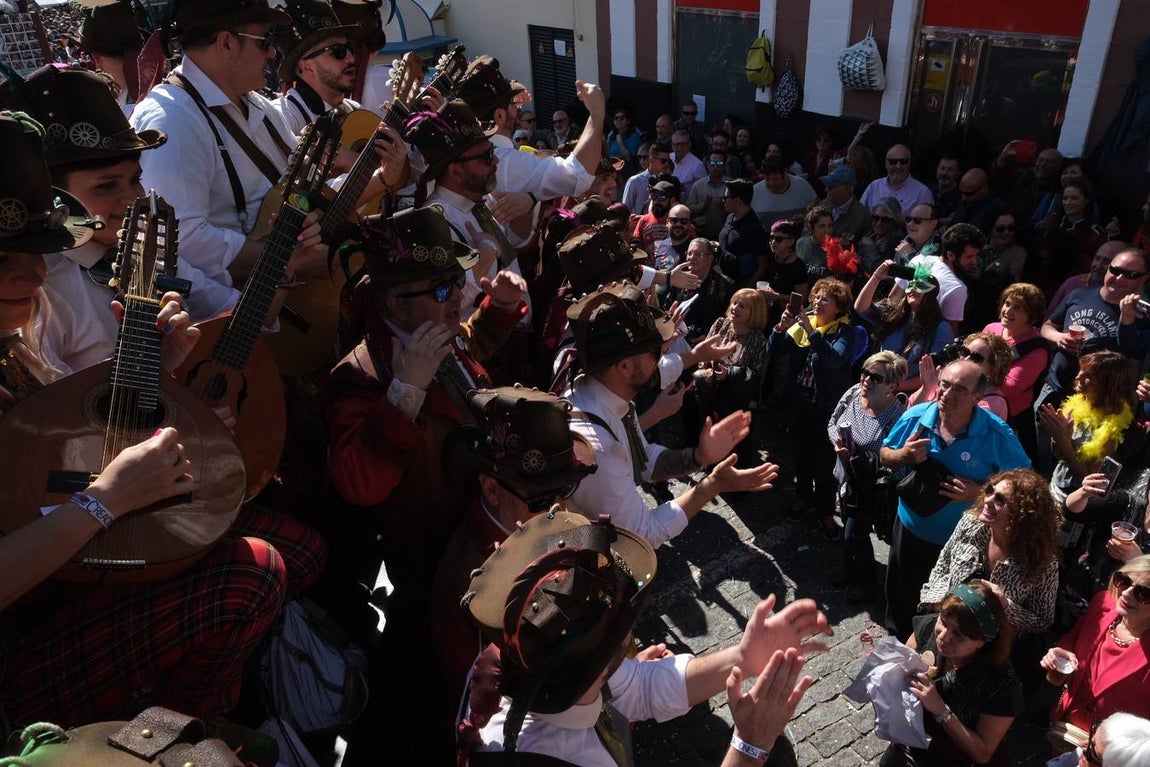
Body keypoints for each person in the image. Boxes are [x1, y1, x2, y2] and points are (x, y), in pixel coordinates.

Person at [0, 111, 324, 728]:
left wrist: (165, 374)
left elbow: (49, 464)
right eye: (1, 258)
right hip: (18, 643)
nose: (34, 275)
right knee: (251, 578)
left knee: (287, 543)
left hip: (71, 571)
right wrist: (103, 502)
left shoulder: (19, 335)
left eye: (39, 252)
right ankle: (167, 735)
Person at [325, 207, 524, 763]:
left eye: (457, 281)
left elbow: (468, 359)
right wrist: (404, 393)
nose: (455, 295)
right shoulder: (365, 373)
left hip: (475, 535)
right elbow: (357, 484)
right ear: (393, 302)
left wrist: (498, 313)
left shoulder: (431, 329)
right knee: (429, 692)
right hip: (428, 566)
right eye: (440, 287)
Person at [458, 508, 831, 765]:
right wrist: (750, 748)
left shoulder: (540, 658)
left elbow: (633, 688)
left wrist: (744, 658)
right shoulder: (548, 757)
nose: (631, 628)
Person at [129, 0, 336, 320]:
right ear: (226, 42)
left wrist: (380, 175)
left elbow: (297, 183)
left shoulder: (260, 106)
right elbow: (178, 240)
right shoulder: (172, 121)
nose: (272, 54)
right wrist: (284, 258)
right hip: (241, 317)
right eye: (265, 41)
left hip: (292, 296)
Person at [563, 283, 779, 547]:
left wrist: (698, 456)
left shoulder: (605, 394)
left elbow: (645, 461)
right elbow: (643, 535)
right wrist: (712, 485)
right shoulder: (600, 449)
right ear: (625, 366)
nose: (663, 354)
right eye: (656, 350)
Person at [430, 387, 597, 709]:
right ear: (491, 489)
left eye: (566, 488)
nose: (561, 507)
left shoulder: (534, 526)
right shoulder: (468, 590)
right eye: (540, 498)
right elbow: (484, 705)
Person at [0, 65, 165, 373]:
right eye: (106, 185)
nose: (134, 198)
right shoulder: (38, 293)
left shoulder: (140, 245)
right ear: (51, 195)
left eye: (136, 179)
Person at [879, 359, 1031, 639]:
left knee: (943, 608)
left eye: (960, 389)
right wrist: (904, 456)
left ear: (978, 397)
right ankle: (895, 647)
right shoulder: (917, 417)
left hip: (961, 545)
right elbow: (885, 453)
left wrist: (979, 492)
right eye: (944, 385)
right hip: (909, 530)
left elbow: (1025, 485)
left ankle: (929, 654)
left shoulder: (997, 434)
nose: (947, 394)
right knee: (900, 596)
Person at [881, 582, 1022, 767]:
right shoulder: (929, 627)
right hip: (907, 744)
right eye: (944, 622)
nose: (943, 637)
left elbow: (983, 753)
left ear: (982, 642)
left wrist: (940, 709)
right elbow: (902, 663)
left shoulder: (1002, 684)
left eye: (959, 635)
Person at [919, 469, 1060, 646]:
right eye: (989, 491)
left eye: (1000, 500)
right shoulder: (969, 523)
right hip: (947, 630)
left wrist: (1006, 606)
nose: (987, 500)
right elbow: (942, 567)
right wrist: (936, 610)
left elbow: (1042, 622)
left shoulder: (1043, 562)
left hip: (992, 649)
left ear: (1023, 515)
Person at [769, 278, 862, 540]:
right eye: (816, 297)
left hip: (826, 409)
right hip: (799, 404)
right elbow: (773, 350)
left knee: (824, 465)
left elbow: (833, 360)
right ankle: (803, 498)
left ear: (838, 307)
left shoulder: (845, 331)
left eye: (825, 300)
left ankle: (824, 510)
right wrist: (781, 327)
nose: (818, 303)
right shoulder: (802, 325)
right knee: (800, 458)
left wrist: (812, 332)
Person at [827, 351, 909, 602]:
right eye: (865, 372)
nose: (866, 380)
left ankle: (866, 583)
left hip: (870, 489)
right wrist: (838, 444)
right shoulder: (853, 393)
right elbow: (832, 423)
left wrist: (860, 456)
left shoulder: (897, 418)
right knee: (848, 526)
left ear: (892, 386)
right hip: (846, 478)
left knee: (857, 532)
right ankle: (850, 569)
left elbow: (899, 464)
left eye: (876, 377)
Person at [1041, 556, 1150, 735]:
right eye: (1123, 581)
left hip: (1109, 752)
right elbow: (1075, 636)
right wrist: (1062, 652)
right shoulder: (1103, 603)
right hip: (1065, 730)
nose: (1125, 593)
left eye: (1143, 593)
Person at [1039, 350, 1139, 505]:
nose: (1079, 376)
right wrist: (1058, 436)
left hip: (1076, 505)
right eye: (1081, 370)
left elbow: (1088, 482)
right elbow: (1058, 454)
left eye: (1089, 376)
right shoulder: (1078, 403)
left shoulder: (1112, 428)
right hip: (1055, 487)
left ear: (1108, 384)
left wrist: (1063, 440)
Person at [695, 289, 770, 466]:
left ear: (755, 312)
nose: (735, 308)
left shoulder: (757, 339)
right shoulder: (721, 324)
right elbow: (705, 349)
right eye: (735, 302)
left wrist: (730, 374)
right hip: (711, 392)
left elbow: (758, 376)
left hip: (736, 400)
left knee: (735, 444)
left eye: (742, 306)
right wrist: (704, 362)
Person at [855, 261, 953, 393]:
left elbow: (934, 371)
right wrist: (876, 277)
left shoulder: (941, 328)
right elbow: (861, 307)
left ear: (930, 294)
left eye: (920, 286)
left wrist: (894, 388)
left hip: (906, 395)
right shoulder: (895, 314)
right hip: (876, 385)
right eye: (911, 284)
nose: (912, 289)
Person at [271, 0, 362, 136]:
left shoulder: (357, 112)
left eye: (350, 48)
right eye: (338, 51)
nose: (350, 58)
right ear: (307, 67)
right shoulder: (281, 118)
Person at [983, 283, 1050, 433]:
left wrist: (977, 368)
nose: (1008, 311)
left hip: (1009, 419)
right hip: (980, 405)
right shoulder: (991, 329)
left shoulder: (1037, 349)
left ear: (1031, 316)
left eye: (1018, 308)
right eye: (1007, 304)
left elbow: (1011, 389)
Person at [897, 222, 987, 331]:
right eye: (969, 257)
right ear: (950, 255)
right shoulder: (957, 288)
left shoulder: (918, 259)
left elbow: (893, 298)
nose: (974, 261)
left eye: (976, 255)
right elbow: (949, 334)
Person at [1032, 177, 1113, 297]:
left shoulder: (1095, 233)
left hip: (1073, 286)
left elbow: (1094, 266)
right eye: (1065, 198)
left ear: (1086, 201)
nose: (1068, 202)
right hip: (1043, 280)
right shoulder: (1053, 221)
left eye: (1074, 198)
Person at [914, 332, 1013, 421]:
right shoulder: (948, 381)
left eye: (976, 358)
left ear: (994, 368)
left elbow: (949, 428)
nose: (966, 359)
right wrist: (926, 388)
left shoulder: (993, 404)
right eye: (965, 352)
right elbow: (910, 413)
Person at [718, 178, 770, 286]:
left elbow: (763, 264)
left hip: (739, 284)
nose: (723, 200)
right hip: (723, 281)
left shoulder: (754, 228)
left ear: (738, 200)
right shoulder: (730, 217)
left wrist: (746, 289)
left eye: (726, 197)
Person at [860, 144, 933, 214]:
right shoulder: (874, 187)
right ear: (886, 163)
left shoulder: (922, 193)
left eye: (903, 161)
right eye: (893, 162)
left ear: (909, 163)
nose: (898, 166)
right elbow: (861, 217)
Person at [751, 156, 818, 230]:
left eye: (775, 179)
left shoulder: (802, 186)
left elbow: (817, 212)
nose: (771, 183)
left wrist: (805, 217)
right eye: (767, 179)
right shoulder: (755, 191)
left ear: (785, 172)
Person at [687, 148, 730, 239]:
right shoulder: (698, 185)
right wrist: (704, 205)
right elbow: (688, 210)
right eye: (712, 163)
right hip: (701, 234)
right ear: (707, 165)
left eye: (719, 164)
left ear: (725, 165)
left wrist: (725, 206)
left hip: (726, 233)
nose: (715, 167)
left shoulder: (731, 185)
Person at [621, 141, 672, 215]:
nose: (667, 164)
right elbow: (625, 210)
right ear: (651, 159)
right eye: (663, 161)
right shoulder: (635, 181)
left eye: (668, 161)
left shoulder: (668, 182)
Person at [822, 165, 870, 242]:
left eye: (831, 187)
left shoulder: (861, 217)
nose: (826, 190)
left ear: (848, 189)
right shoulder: (822, 206)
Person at [858, 197, 905, 274]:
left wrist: (870, 248)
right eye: (876, 218)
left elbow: (881, 271)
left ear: (894, 221)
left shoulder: (897, 245)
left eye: (885, 220)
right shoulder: (868, 236)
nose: (879, 223)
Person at [794, 203, 835, 277]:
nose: (827, 230)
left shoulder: (836, 249)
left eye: (830, 225)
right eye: (821, 226)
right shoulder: (800, 244)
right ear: (810, 227)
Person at [607, 106, 643, 177]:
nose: (619, 120)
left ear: (628, 121)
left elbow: (628, 158)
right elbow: (606, 153)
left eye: (622, 118)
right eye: (616, 118)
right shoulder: (612, 134)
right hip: (612, 169)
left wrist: (620, 142)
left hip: (627, 170)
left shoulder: (635, 135)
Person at [671, 129, 707, 193]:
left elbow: (702, 190)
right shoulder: (668, 157)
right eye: (676, 144)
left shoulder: (698, 165)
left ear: (689, 145)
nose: (679, 147)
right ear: (672, 145)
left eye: (682, 144)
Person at [929, 154, 962, 223]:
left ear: (958, 174)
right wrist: (942, 220)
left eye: (950, 170)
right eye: (942, 168)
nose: (944, 173)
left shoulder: (962, 197)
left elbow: (953, 221)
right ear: (937, 170)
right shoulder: (927, 190)